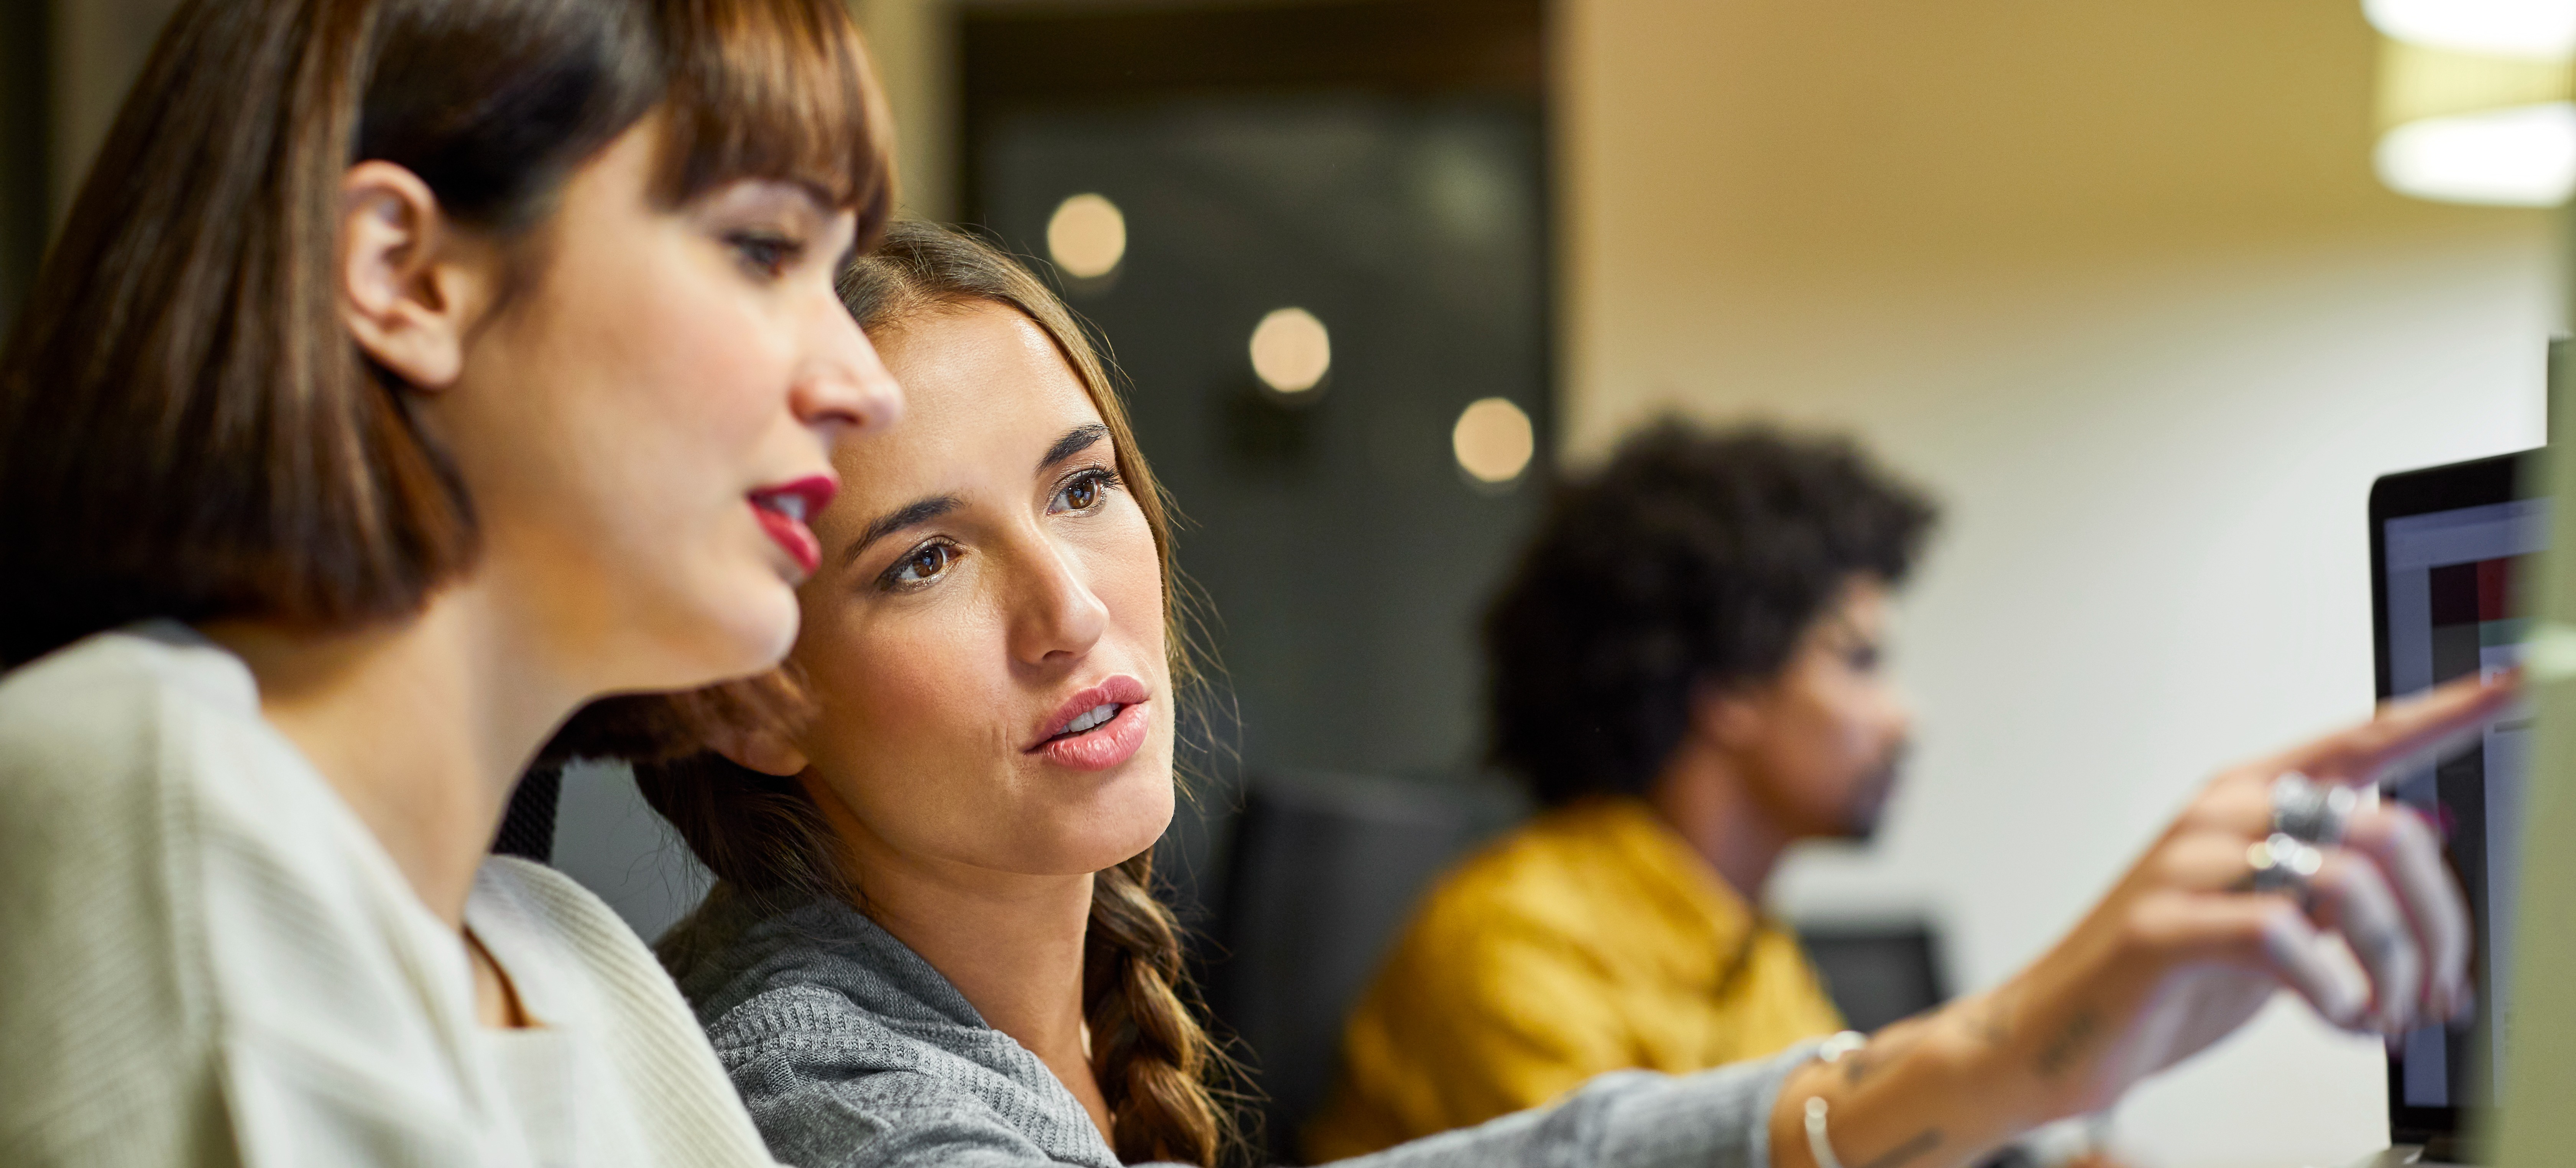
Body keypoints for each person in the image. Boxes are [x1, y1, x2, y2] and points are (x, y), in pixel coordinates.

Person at [610, 220, 2506, 1168]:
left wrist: (2021, 1047)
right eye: (923, 557)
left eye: (1085, 484)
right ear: (748, 698)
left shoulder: (1029, 1026)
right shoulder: (829, 1081)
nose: (1066, 605)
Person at [0, 1, 900, 1164]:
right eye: (763, 248)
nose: (864, 384)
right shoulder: (146, 787)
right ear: (408, 274)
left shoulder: (582, 962)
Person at [1307, 424, 1933, 1158]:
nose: (1903, 718)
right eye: (1859, 660)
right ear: (1732, 683)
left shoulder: (1750, 945)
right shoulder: (1517, 940)